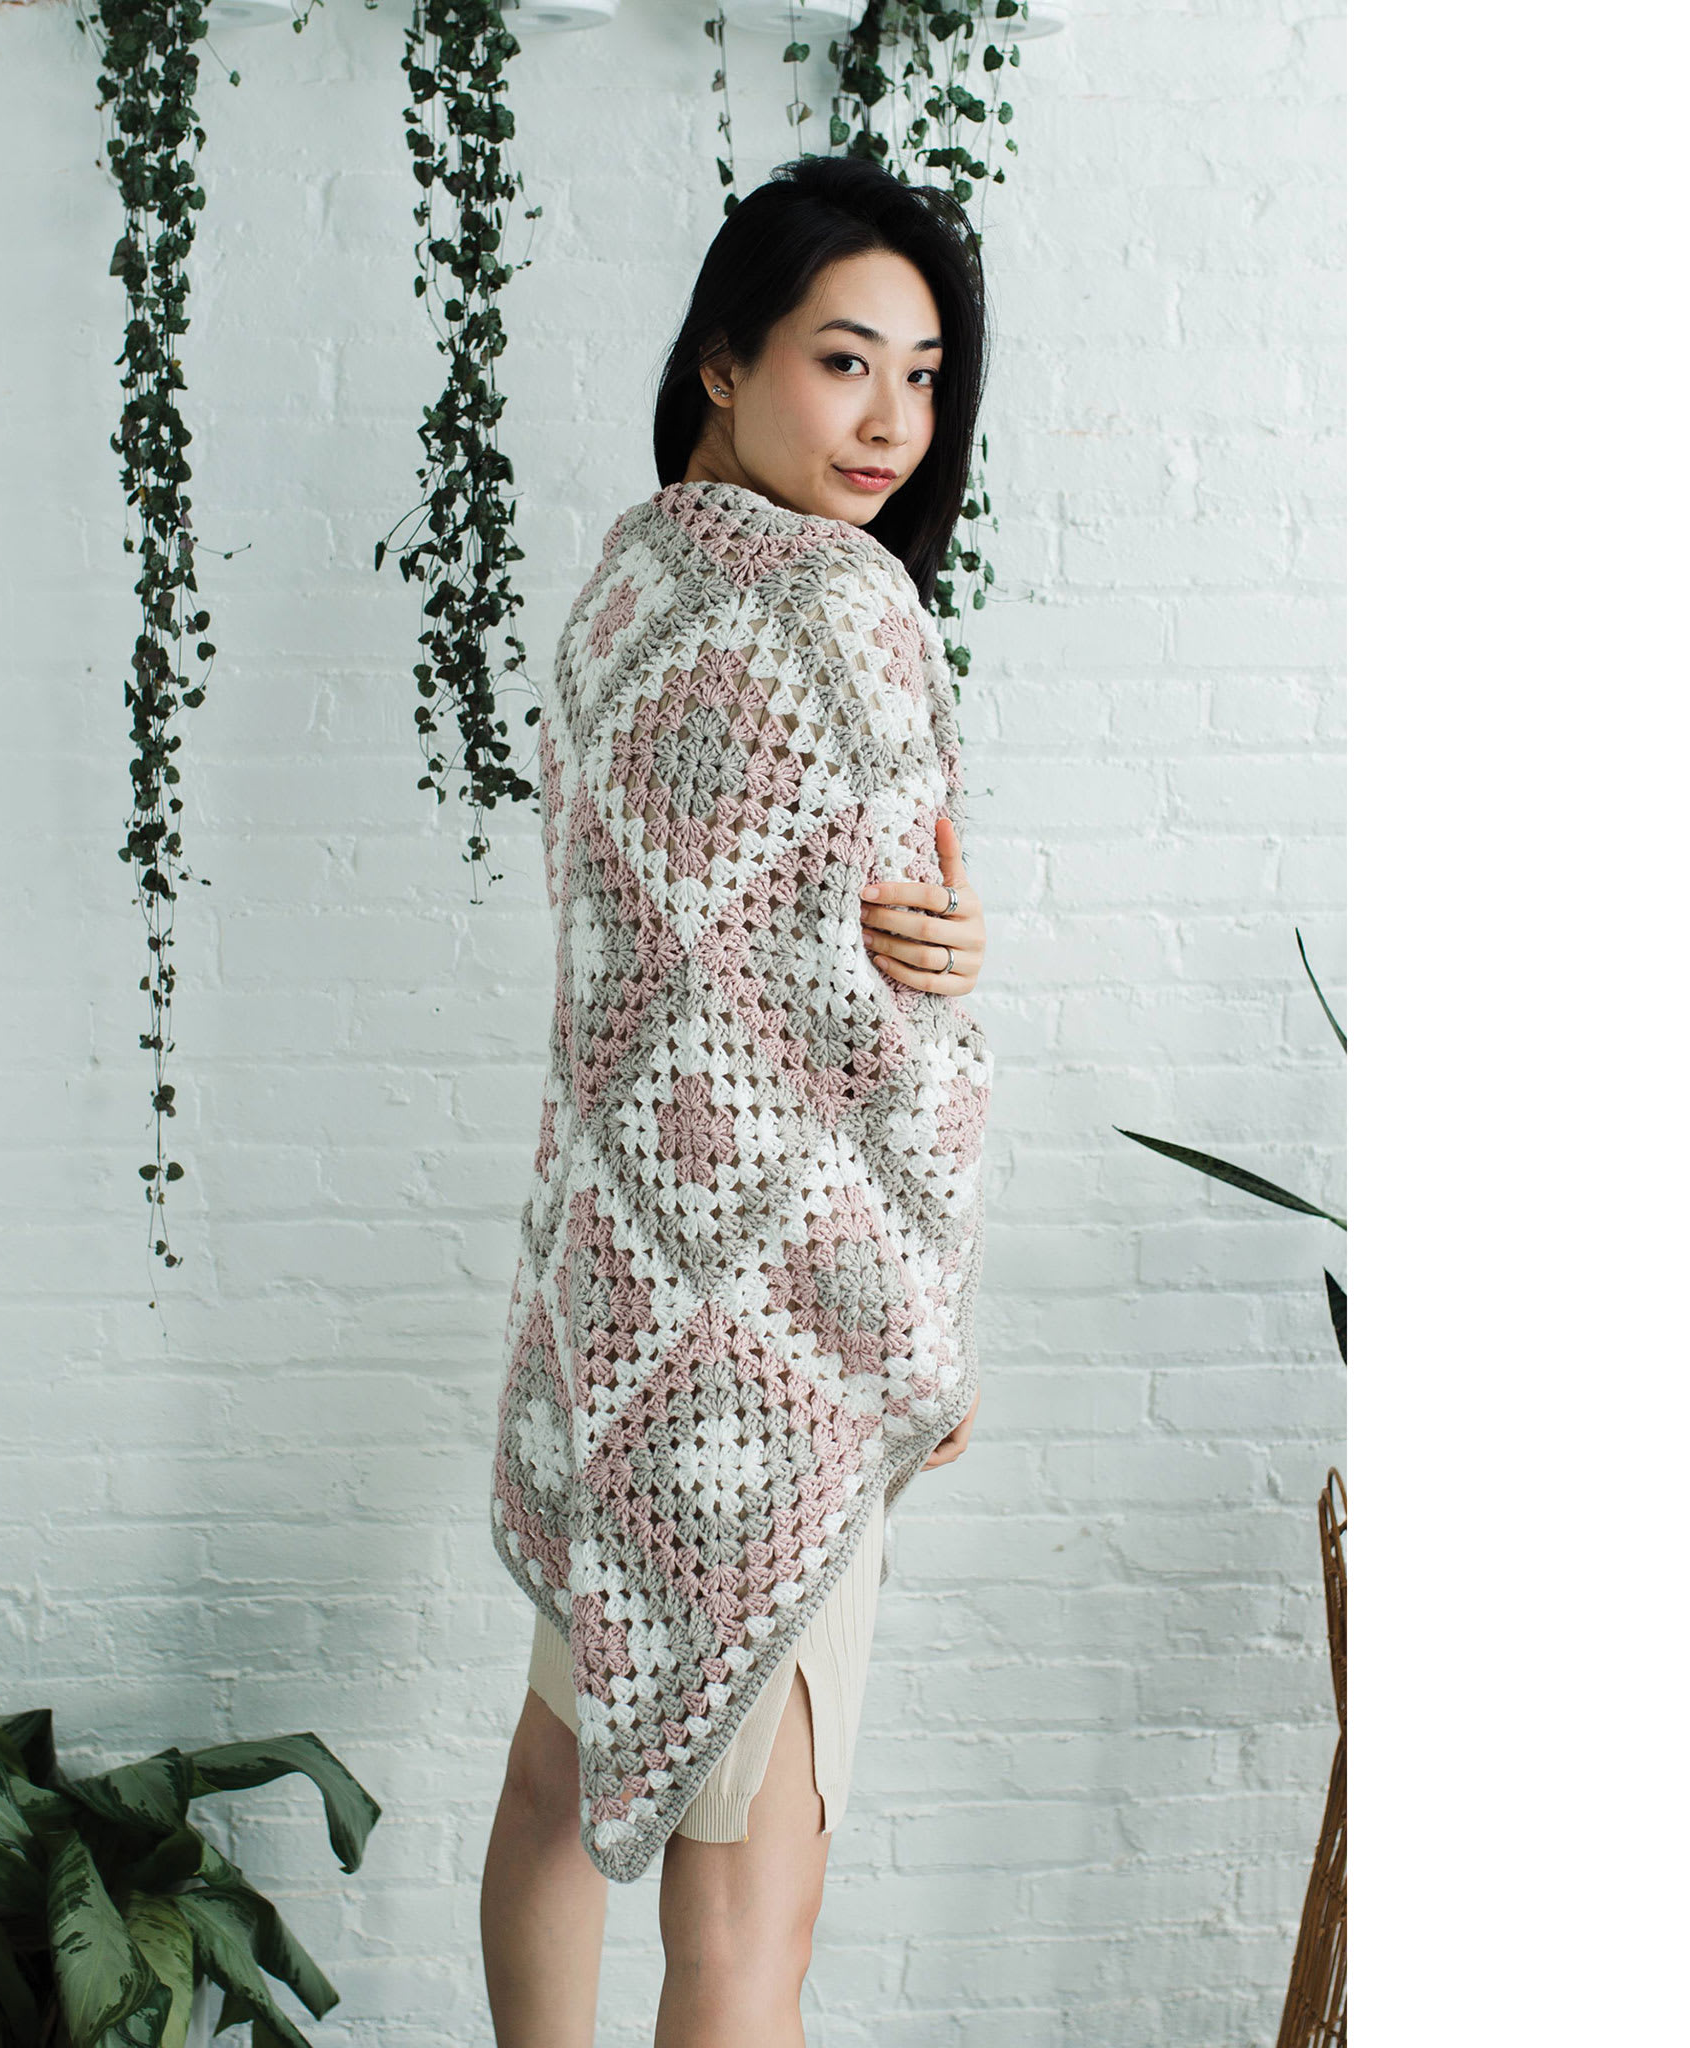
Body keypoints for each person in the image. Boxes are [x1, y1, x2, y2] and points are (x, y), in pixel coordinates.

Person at [479, 154, 995, 2048]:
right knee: (748, 1920)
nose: (892, 423)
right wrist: (921, 1323)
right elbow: (877, 1028)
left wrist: (919, 941)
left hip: (615, 1313)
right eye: (845, 362)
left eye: (923, 378)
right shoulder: (852, 605)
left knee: (557, 1779)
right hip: (778, 1347)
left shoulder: (619, 594)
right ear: (721, 360)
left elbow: (703, 961)